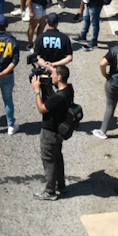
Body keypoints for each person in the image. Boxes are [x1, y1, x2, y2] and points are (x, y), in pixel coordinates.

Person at [34, 63, 76, 201]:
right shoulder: (69, 90)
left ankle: (50, 191)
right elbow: (54, 99)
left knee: (49, 160)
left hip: (50, 132)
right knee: (57, 157)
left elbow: (42, 108)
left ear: (60, 76)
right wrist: (47, 87)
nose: (50, 76)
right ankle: (61, 185)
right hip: (59, 131)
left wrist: (37, 91)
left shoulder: (57, 98)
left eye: (53, 74)